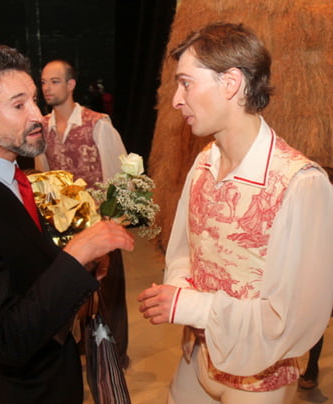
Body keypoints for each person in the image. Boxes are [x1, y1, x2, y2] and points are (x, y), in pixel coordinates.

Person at [137, 22, 333, 404]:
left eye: (186, 84)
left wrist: (194, 307)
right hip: (197, 358)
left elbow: (294, 317)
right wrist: (179, 289)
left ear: (230, 83)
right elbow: (184, 251)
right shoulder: (203, 163)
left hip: (258, 378)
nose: (176, 100)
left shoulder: (299, 183)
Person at [0, 46, 134, 404]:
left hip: (57, 375)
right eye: (19, 105)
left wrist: (81, 270)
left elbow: (27, 273)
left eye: (35, 101)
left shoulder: (14, 177)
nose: (38, 115)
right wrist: (76, 254)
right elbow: (7, 339)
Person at [35, 59, 130, 368]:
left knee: (109, 292)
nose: (47, 88)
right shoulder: (41, 128)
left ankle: (116, 355)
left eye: (54, 81)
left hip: (101, 224)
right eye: (44, 82)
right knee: (72, 291)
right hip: (65, 229)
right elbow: (44, 179)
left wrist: (114, 223)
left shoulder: (97, 123)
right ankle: (79, 347)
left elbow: (119, 177)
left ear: (71, 84)